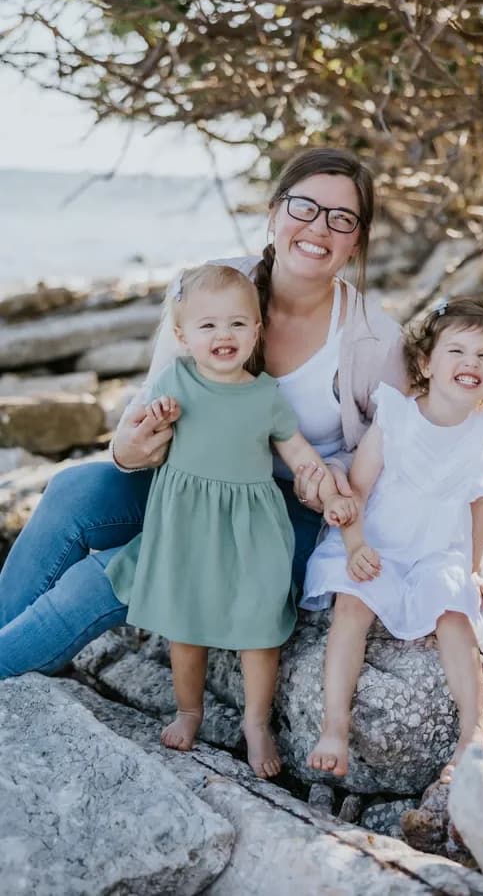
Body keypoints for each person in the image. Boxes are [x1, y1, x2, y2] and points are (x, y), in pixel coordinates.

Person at [0, 148, 407, 773]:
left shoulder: (375, 338)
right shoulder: (210, 287)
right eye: (305, 206)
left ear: (358, 241)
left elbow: (390, 454)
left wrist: (336, 498)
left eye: (342, 218)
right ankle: (14, 640)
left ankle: (15, 658)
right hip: (188, 483)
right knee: (74, 491)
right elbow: (149, 404)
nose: (319, 227)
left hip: (281, 515)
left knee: (107, 575)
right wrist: (127, 449)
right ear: (274, 214)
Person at [105, 263, 355, 765]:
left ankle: (256, 721)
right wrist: (159, 420)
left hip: (251, 529)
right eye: (208, 325)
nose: (224, 335)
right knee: (186, 624)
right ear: (182, 335)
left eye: (238, 323)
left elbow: (300, 454)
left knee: (260, 625)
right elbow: (144, 438)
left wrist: (328, 491)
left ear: (257, 330)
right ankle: (189, 711)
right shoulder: (175, 382)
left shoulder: (265, 396)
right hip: (187, 528)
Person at [301, 297, 483, 784]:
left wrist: (473, 568)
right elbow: (359, 491)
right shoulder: (397, 416)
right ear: (425, 364)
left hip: (437, 549)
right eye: (456, 351)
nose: (469, 364)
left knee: (455, 610)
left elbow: (481, 501)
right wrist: (354, 546)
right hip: (379, 541)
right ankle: (335, 726)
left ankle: (473, 729)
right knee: (352, 606)